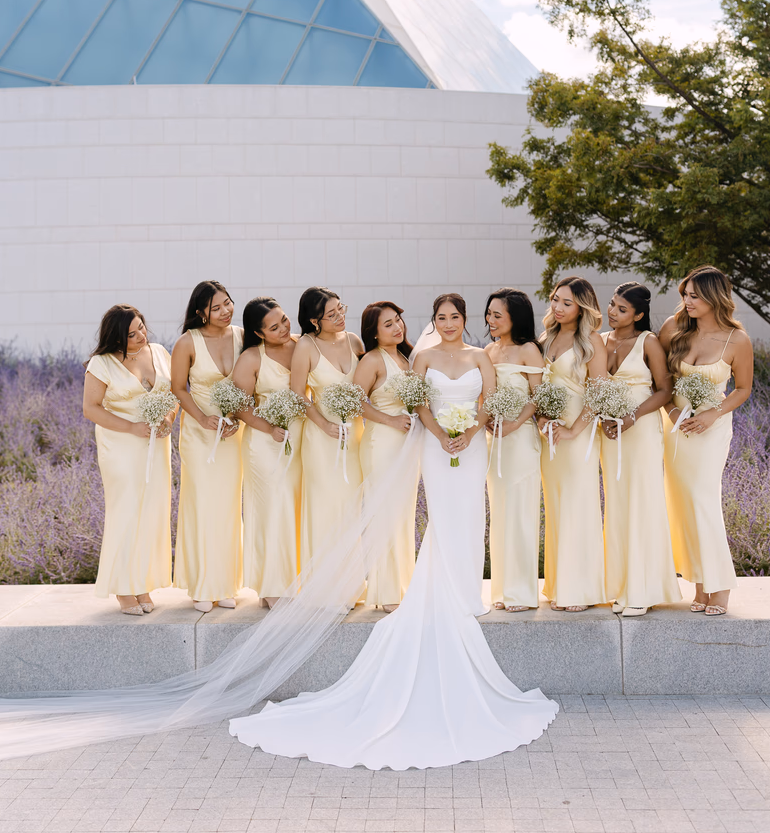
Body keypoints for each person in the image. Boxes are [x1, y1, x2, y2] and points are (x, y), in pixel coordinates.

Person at [229, 293, 557, 768]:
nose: (447, 323)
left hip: (472, 444)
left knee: (472, 515)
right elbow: (418, 403)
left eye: (455, 317)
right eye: (440, 316)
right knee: (442, 515)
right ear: (434, 322)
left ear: (464, 321)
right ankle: (426, 588)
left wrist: (471, 428)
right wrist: (441, 432)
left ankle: (467, 591)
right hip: (433, 443)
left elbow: (488, 400)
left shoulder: (479, 356)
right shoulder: (418, 358)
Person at [659, 265, 753, 616]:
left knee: (703, 500)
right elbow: (661, 379)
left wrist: (714, 413)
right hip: (675, 430)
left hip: (712, 430)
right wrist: (670, 411)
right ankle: (699, 584)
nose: (687, 301)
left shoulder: (737, 340)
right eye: (685, 294)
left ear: (715, 298)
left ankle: (721, 585)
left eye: (694, 295)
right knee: (682, 503)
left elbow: (743, 388)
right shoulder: (674, 329)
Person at [82, 304, 175, 615]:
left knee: (152, 511)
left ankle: (141, 582)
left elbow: (174, 393)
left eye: (142, 328)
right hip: (120, 446)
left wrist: (169, 419)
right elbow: (91, 408)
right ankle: (123, 587)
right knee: (126, 511)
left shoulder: (160, 352)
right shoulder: (102, 363)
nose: (140, 336)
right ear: (116, 337)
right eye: (131, 334)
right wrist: (132, 427)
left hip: (156, 444)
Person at [600, 283, 680, 616]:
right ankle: (620, 586)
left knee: (642, 502)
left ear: (639, 315)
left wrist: (632, 417)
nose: (612, 312)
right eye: (611, 305)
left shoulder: (648, 342)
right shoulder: (600, 340)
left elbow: (665, 390)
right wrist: (604, 415)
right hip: (609, 432)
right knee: (617, 504)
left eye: (621, 309)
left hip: (642, 428)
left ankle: (643, 590)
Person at [171, 280, 244, 612]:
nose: (226, 310)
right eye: (216, 307)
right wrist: (202, 418)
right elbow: (179, 389)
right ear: (201, 312)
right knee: (203, 505)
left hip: (233, 435)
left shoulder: (243, 336)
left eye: (228, 303)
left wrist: (239, 417)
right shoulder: (187, 342)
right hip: (200, 436)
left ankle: (226, 583)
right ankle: (202, 585)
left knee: (228, 507)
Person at [538, 276, 608, 612]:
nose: (558, 307)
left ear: (583, 306)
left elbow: (598, 391)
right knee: (556, 506)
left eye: (567, 302)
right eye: (555, 300)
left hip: (578, 434)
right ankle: (557, 585)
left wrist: (573, 430)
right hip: (549, 435)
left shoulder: (592, 341)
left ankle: (580, 589)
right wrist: (542, 421)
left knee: (579, 505)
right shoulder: (546, 338)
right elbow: (534, 388)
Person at [232, 298, 302, 609]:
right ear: (259, 333)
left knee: (294, 507)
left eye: (284, 320)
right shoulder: (251, 358)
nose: (284, 329)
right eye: (274, 328)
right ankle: (271, 586)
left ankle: (296, 578)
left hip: (299, 439)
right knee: (273, 507)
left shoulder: (303, 345)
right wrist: (269, 428)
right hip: (264, 442)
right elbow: (240, 406)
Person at [289, 288, 364, 568]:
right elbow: (298, 394)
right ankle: (322, 582)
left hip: (354, 434)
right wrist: (324, 424)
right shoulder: (307, 346)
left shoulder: (354, 341)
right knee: (324, 507)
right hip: (321, 438)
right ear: (314, 321)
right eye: (331, 315)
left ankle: (350, 583)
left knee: (350, 507)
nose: (340, 317)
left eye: (340, 309)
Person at [484, 288, 544, 611]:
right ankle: (503, 590)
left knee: (521, 511)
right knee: (501, 512)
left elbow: (538, 397)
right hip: (496, 442)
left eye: (497, 315)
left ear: (514, 318)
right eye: (489, 314)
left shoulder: (529, 350)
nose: (490, 320)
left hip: (520, 439)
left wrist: (513, 423)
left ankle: (522, 592)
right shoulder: (489, 351)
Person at [354, 301, 416, 611]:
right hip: (381, 443)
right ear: (374, 333)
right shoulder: (372, 361)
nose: (397, 327)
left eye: (398, 320)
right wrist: (391, 419)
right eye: (388, 324)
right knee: (385, 515)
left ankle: (402, 585)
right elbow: (355, 401)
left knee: (401, 515)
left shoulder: (406, 357)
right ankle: (387, 592)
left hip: (406, 446)